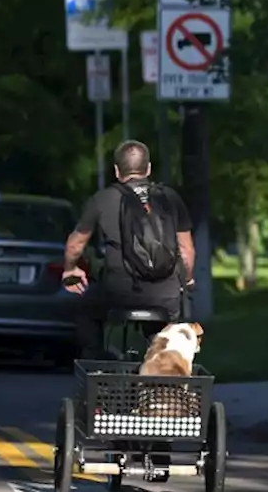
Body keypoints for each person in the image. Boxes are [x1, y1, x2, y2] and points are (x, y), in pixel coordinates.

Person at [61, 139, 195, 359]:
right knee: (164, 324)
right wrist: (187, 280)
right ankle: (159, 370)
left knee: (85, 309)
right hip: (166, 296)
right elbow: (187, 250)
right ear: (148, 168)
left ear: (116, 171)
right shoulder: (170, 198)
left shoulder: (102, 199)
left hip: (118, 294)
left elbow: (75, 244)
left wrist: (70, 269)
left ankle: (97, 365)